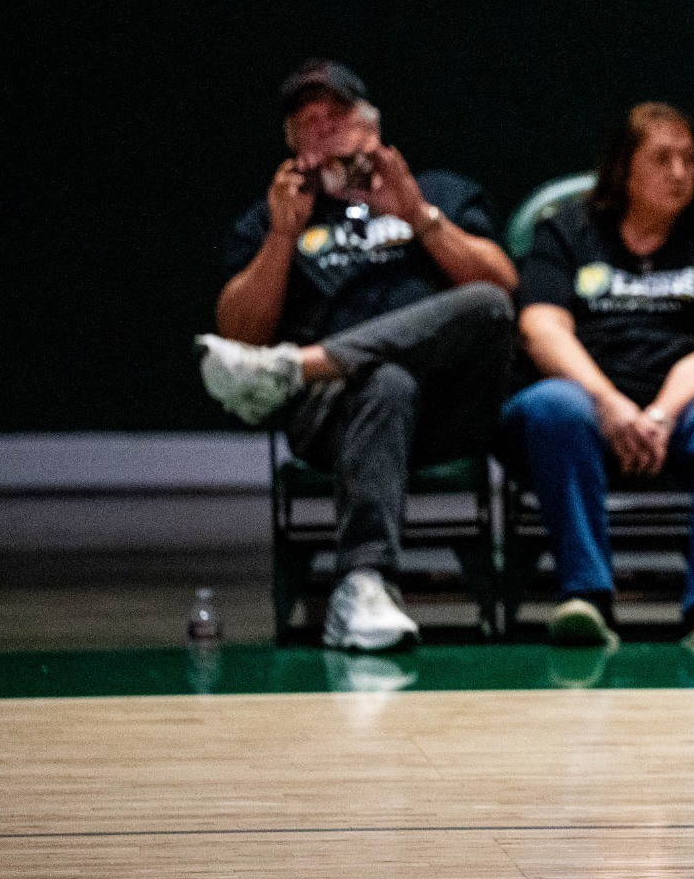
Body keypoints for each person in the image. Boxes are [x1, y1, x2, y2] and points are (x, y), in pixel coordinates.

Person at [197, 60, 518, 652]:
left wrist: (418, 217)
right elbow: (238, 334)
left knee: (486, 304)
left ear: (372, 125)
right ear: (292, 145)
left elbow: (502, 287)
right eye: (307, 122)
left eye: (338, 115)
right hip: (332, 417)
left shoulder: (439, 193)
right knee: (386, 381)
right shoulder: (275, 216)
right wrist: (280, 237)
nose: (326, 129)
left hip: (448, 411)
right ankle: (364, 584)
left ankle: (297, 365)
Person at [498, 103, 694, 650]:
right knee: (551, 406)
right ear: (625, 167)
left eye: (689, 161)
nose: (679, 173)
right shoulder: (567, 232)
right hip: (587, 404)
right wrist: (609, 403)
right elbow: (541, 327)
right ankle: (586, 596)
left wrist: (661, 411)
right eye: (662, 159)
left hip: (675, 410)